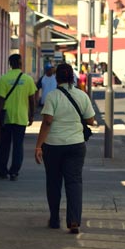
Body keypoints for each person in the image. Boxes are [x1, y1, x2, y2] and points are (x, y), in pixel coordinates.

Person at [34, 62, 97, 233]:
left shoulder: (53, 96)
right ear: (72, 78)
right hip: (76, 145)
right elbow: (91, 120)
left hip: (53, 146)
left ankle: (54, 219)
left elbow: (47, 122)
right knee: (74, 182)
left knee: (54, 182)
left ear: (57, 78)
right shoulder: (82, 95)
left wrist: (39, 146)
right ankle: (74, 221)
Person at [0, 53, 37, 180]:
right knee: (18, 145)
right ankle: (14, 171)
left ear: (10, 64)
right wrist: (31, 115)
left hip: (6, 117)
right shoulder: (28, 79)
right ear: (20, 63)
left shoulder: (4, 78)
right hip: (21, 117)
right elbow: (32, 100)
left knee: (4, 145)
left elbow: (1, 100)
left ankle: (2, 171)